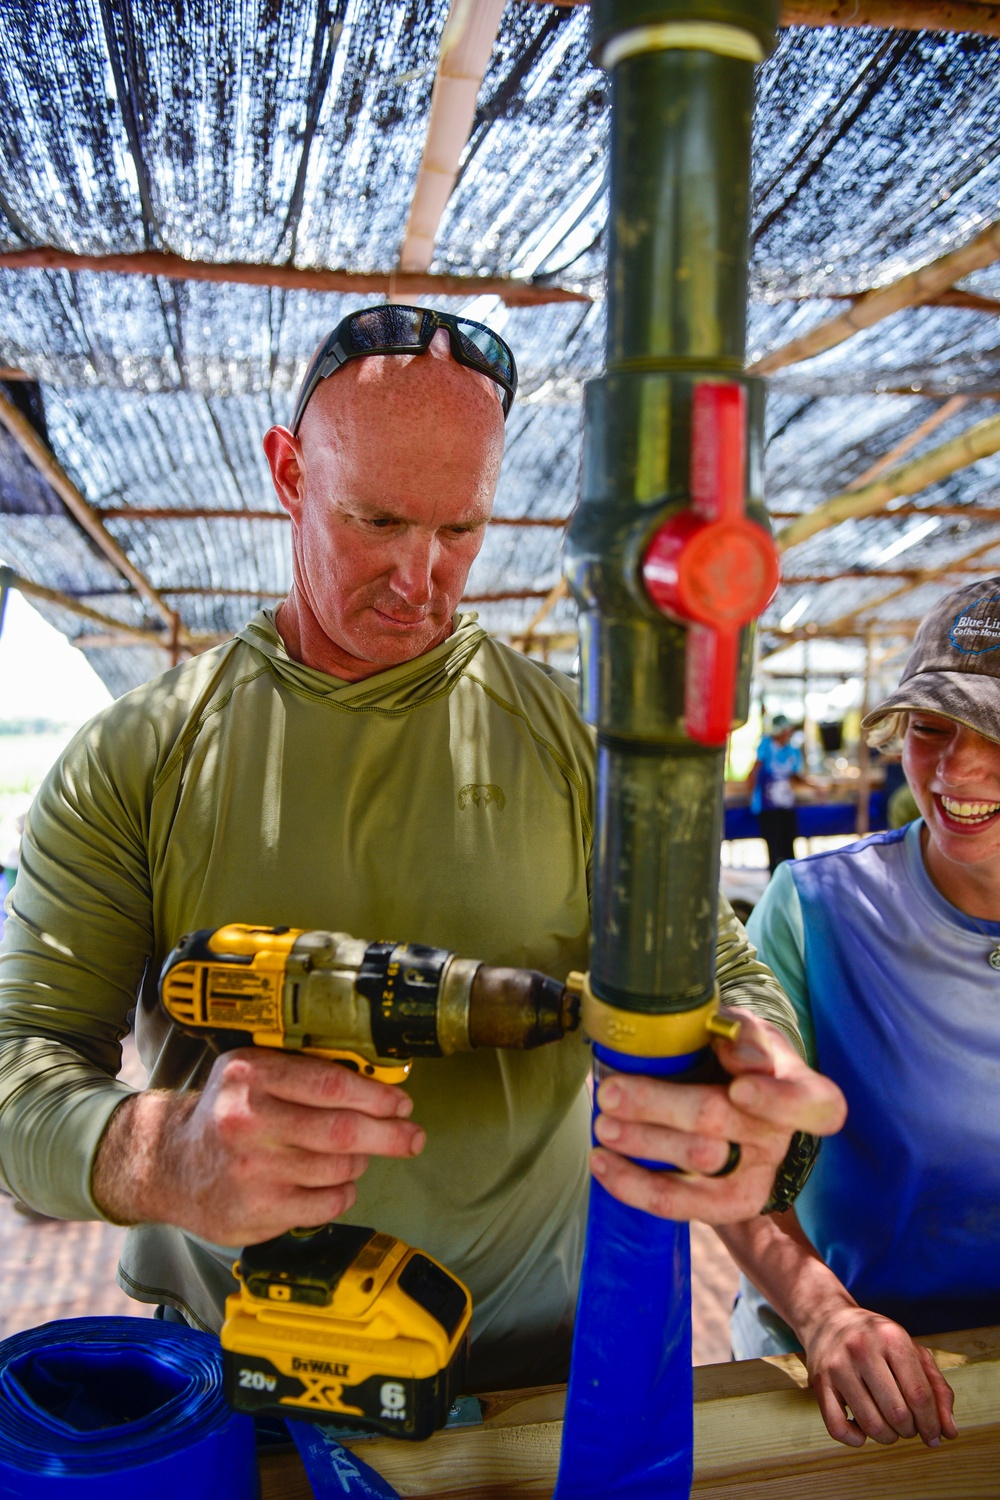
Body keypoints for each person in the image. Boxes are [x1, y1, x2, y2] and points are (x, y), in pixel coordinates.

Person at [0, 304, 844, 1391]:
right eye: (379, 521)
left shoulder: (579, 749)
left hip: (534, 1377)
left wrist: (752, 1069)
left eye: (459, 533)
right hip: (232, 1379)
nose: (419, 578)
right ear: (289, 472)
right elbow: (17, 1074)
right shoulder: (142, 754)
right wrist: (166, 1158)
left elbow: (719, 969)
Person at [719, 576, 1000, 1451]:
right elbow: (736, 1160)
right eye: (931, 729)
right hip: (846, 1386)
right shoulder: (818, 911)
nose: (961, 768)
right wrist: (822, 1312)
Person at [747, 713, 810, 873]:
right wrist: (751, 796)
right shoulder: (766, 746)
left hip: (786, 805)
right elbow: (754, 771)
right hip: (768, 807)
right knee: (774, 850)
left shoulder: (792, 751)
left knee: (789, 848)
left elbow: (796, 776)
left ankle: (790, 883)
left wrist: (814, 787)